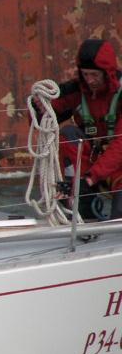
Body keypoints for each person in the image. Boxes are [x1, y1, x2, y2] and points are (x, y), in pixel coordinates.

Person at [52, 38, 122, 219]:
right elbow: (46, 114)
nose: (90, 80)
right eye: (85, 74)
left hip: (116, 165)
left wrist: (92, 177)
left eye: (94, 75)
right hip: (92, 163)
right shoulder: (77, 91)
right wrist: (39, 105)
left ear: (107, 73)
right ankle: (81, 212)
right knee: (68, 135)